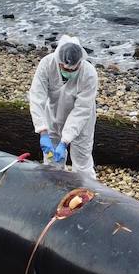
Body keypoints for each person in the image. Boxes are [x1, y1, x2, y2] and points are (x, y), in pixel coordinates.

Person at [28, 35, 98, 178]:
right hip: (54, 113)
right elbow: (36, 97)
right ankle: (53, 192)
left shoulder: (89, 73)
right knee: (52, 161)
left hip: (82, 120)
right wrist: (42, 130)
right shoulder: (47, 64)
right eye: (64, 68)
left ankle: (88, 194)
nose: (68, 72)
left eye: (73, 70)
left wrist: (65, 140)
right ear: (58, 61)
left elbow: (81, 110)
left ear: (80, 63)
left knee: (82, 160)